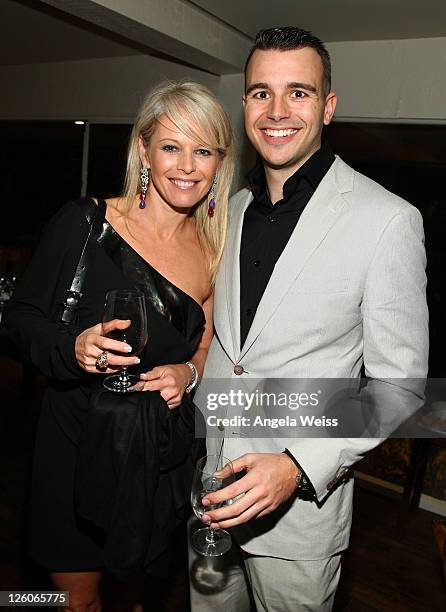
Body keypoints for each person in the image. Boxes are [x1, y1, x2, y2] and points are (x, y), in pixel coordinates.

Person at [190, 27, 428, 611]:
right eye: (260, 93)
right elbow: (228, 344)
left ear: (327, 106)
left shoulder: (387, 220)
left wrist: (297, 468)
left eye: (298, 92)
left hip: (299, 516)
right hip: (208, 491)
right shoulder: (230, 208)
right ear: (244, 103)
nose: (276, 111)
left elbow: (398, 387)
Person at [5, 80, 233, 611]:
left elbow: (202, 349)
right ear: (144, 150)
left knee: (133, 598)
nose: (186, 166)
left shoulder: (214, 252)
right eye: (172, 146)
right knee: (75, 602)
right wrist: (73, 347)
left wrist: (188, 375)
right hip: (74, 444)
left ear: (219, 164)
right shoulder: (85, 222)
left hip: (153, 457)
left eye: (203, 151)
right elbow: (20, 315)